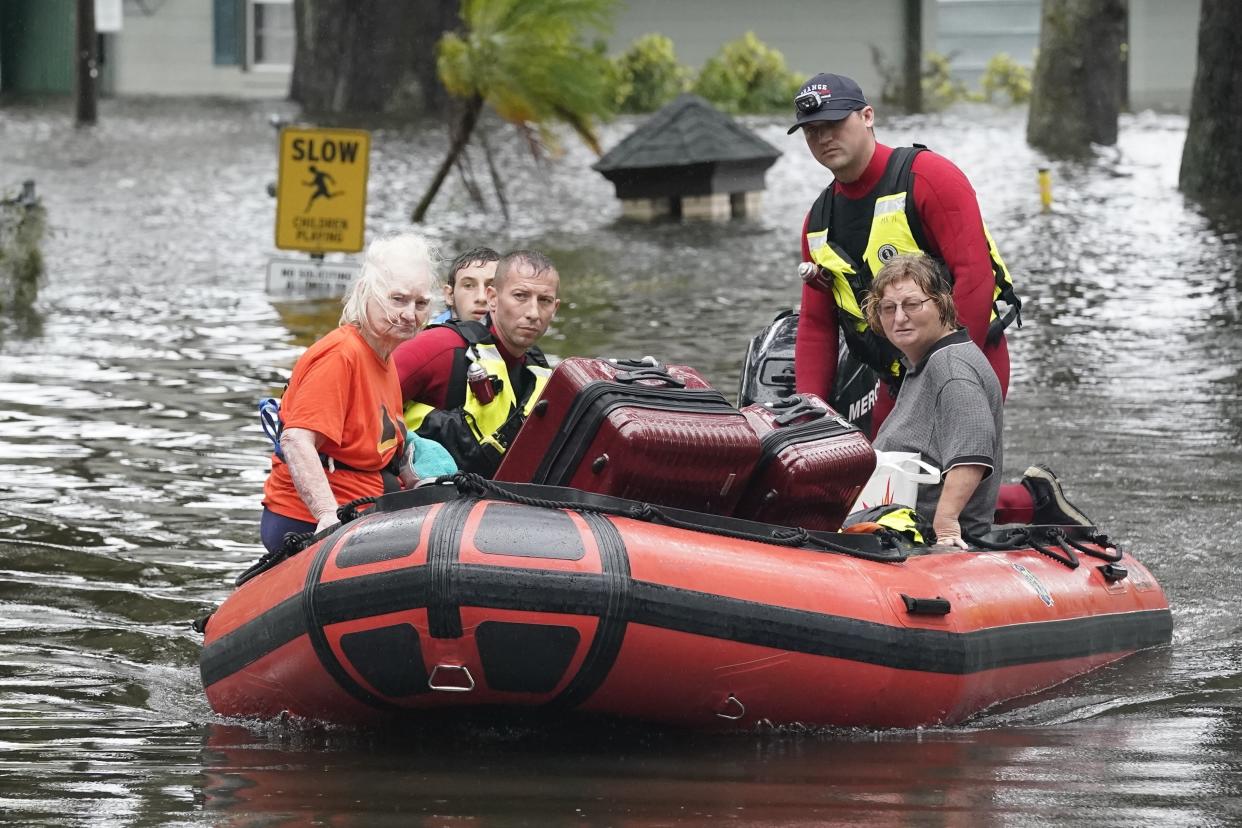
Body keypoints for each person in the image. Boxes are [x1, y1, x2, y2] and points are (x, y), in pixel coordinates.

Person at [788, 72, 1021, 438]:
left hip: (969, 361)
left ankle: (1031, 496)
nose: (823, 137)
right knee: (884, 486)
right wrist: (809, 415)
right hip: (896, 377)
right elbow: (817, 325)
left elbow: (975, 279)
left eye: (834, 123)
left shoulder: (930, 178)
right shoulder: (817, 223)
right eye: (811, 130)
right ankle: (1035, 496)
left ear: (867, 116)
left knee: (953, 488)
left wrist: (947, 375)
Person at [259, 232, 437, 553]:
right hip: (309, 522)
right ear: (364, 292)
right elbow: (296, 441)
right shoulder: (341, 355)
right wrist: (328, 517)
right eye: (398, 299)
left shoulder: (384, 355)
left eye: (421, 303)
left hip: (368, 509)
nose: (411, 314)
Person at [865, 254, 1003, 547]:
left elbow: (974, 446)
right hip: (896, 528)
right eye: (888, 308)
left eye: (912, 304)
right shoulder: (929, 361)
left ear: (941, 303)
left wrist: (947, 525)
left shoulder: (951, 370)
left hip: (923, 540)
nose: (899, 318)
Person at [393, 249, 559, 477]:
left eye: (545, 301)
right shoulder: (441, 346)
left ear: (555, 309)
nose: (533, 312)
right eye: (520, 296)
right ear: (493, 298)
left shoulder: (541, 376)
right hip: (417, 501)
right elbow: (360, 400)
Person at [430, 246, 500, 324]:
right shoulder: (430, 334)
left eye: (493, 286)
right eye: (468, 285)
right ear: (450, 296)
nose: (481, 298)